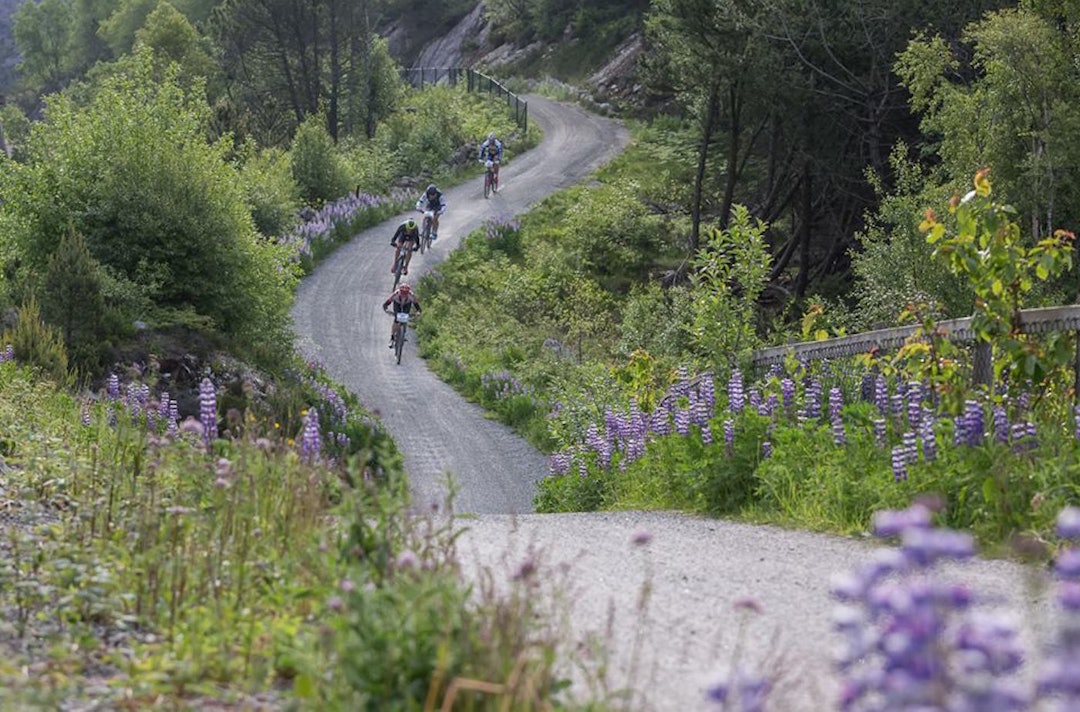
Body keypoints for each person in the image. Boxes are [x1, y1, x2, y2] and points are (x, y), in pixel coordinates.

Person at [382, 282, 421, 347]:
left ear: (408, 293)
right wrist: (386, 308)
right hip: (397, 303)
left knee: (405, 316)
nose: (404, 296)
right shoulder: (396, 294)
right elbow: (387, 302)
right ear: (400, 292)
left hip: (407, 304)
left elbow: (417, 306)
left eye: (405, 294)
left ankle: (403, 333)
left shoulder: (411, 296)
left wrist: (418, 311)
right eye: (402, 293)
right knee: (396, 319)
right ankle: (392, 337)